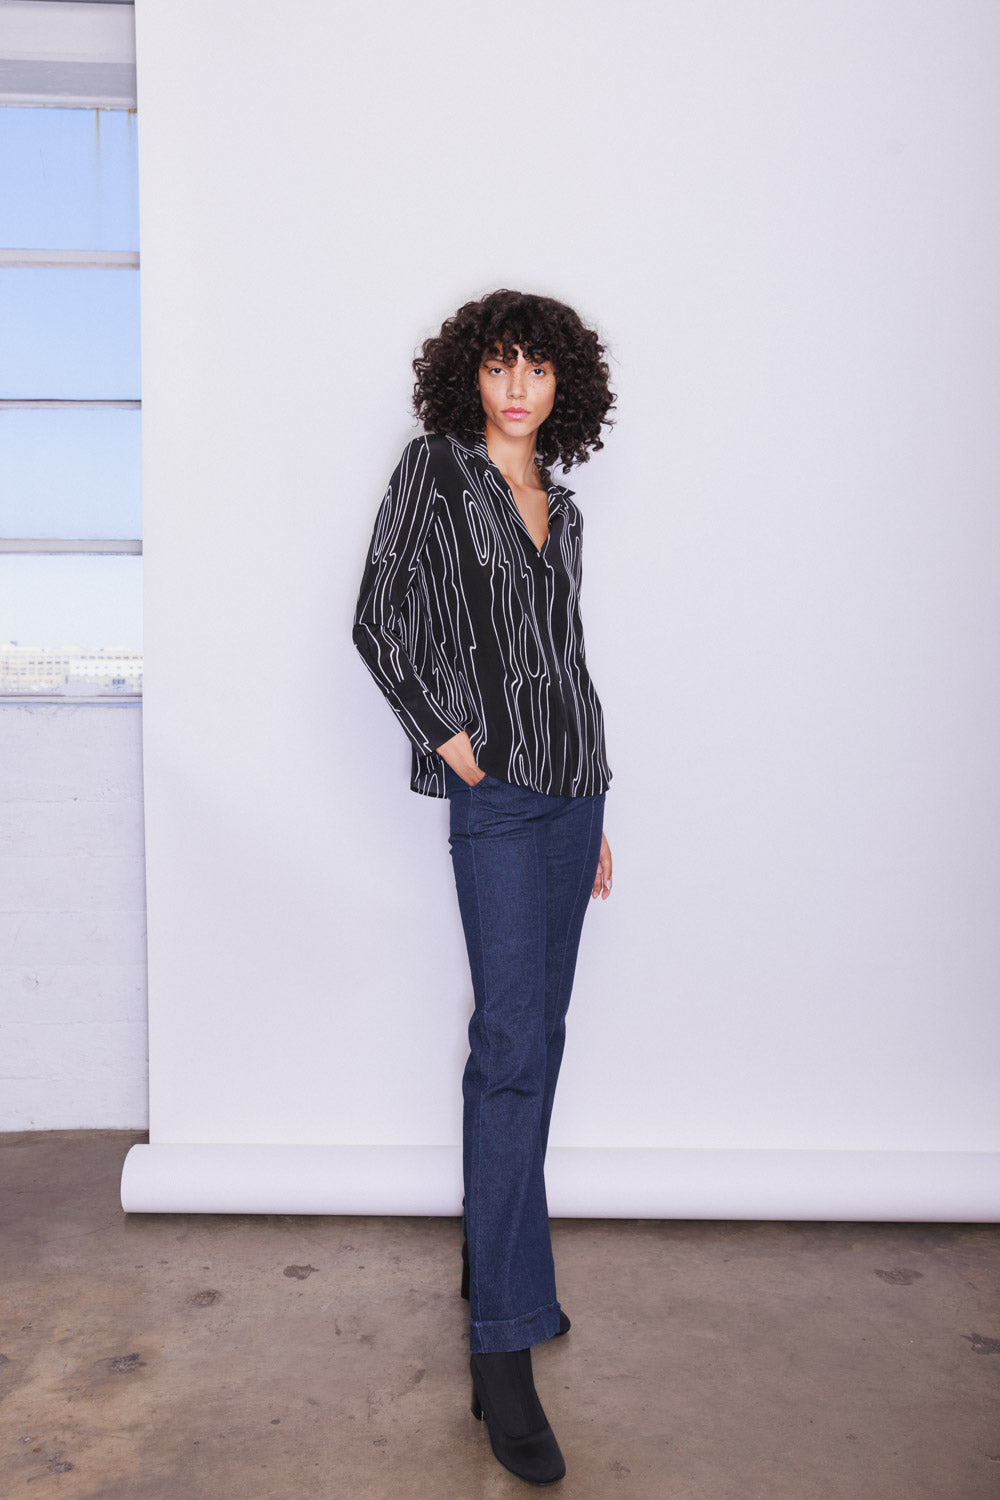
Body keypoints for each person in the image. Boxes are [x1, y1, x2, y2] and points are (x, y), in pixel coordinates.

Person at [353, 288, 614, 1485]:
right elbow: (377, 621)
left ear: (564, 388)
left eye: (540, 369)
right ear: (473, 376)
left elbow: (564, 656)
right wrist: (444, 734)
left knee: (541, 1040)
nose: (519, 386)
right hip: (497, 794)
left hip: (573, 797)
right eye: (501, 364)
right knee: (509, 1045)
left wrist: (595, 799)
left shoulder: (562, 504)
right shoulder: (435, 472)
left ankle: (501, 1263)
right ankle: (499, 1349)